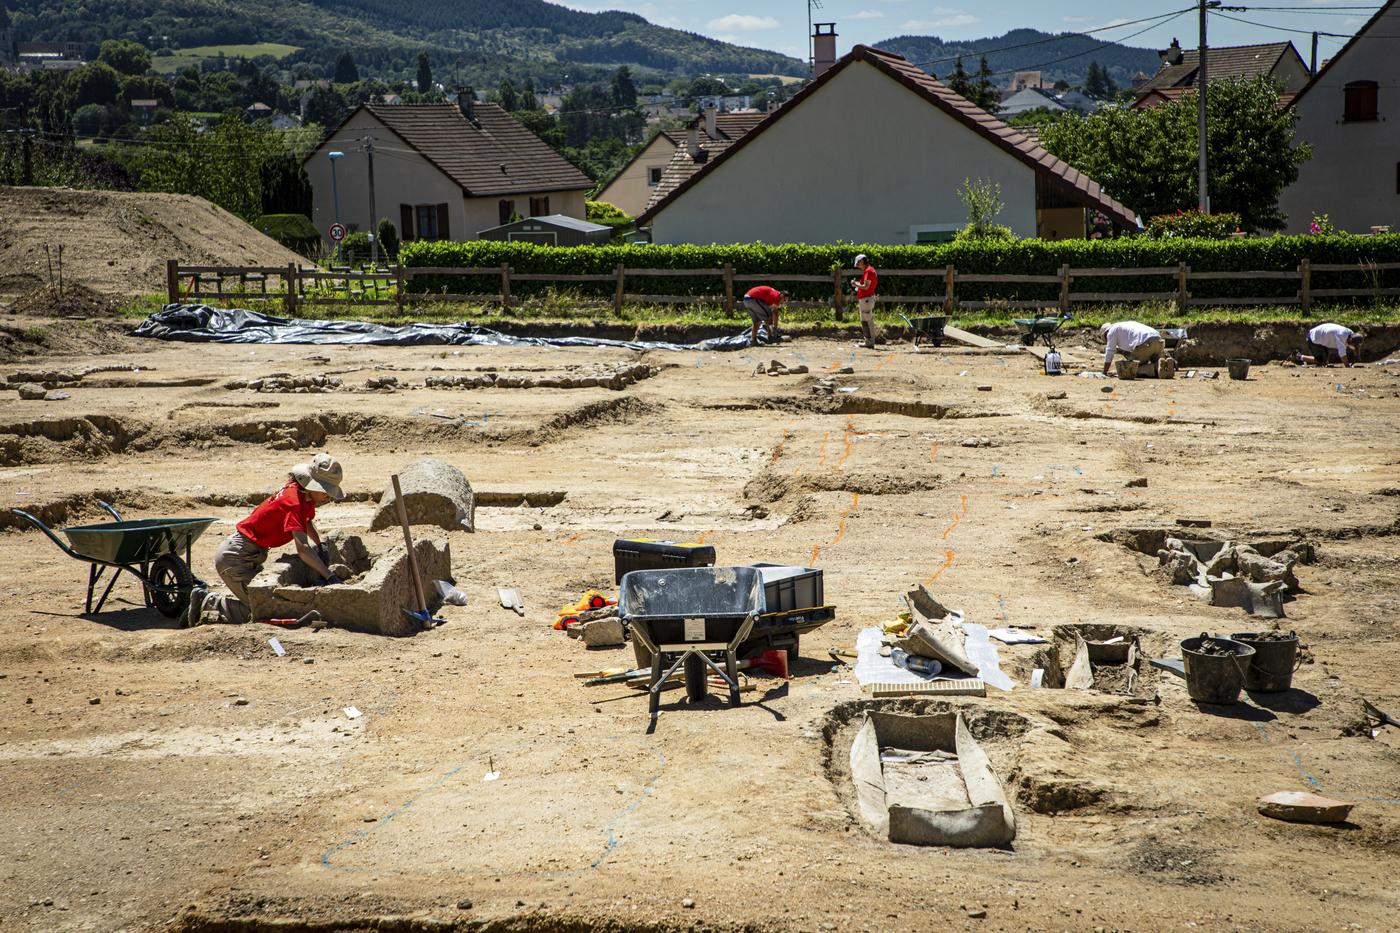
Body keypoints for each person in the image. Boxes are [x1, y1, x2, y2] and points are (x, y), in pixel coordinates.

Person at [186, 453, 346, 626]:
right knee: (261, 611)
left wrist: (320, 543)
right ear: (312, 485)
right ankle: (209, 602)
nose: (329, 497)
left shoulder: (300, 493)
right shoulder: (293, 503)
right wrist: (329, 576)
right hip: (235, 557)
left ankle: (217, 601)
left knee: (264, 601)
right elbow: (303, 550)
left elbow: (306, 521)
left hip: (248, 554)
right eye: (325, 491)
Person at [1099, 320, 1164, 376]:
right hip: (1159, 341)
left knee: (1131, 370)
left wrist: (1104, 372)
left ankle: (1155, 367)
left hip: (1146, 343)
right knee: (1149, 361)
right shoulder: (1125, 325)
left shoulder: (1111, 331)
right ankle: (1162, 366)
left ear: (1106, 334)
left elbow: (1110, 351)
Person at [852, 254, 879, 349]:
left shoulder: (868, 271)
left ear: (862, 262)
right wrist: (858, 284)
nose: (858, 265)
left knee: (867, 320)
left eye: (858, 263)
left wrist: (856, 285)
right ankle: (868, 341)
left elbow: (866, 287)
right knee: (864, 320)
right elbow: (866, 285)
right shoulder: (869, 270)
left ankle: (870, 342)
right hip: (866, 299)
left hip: (867, 299)